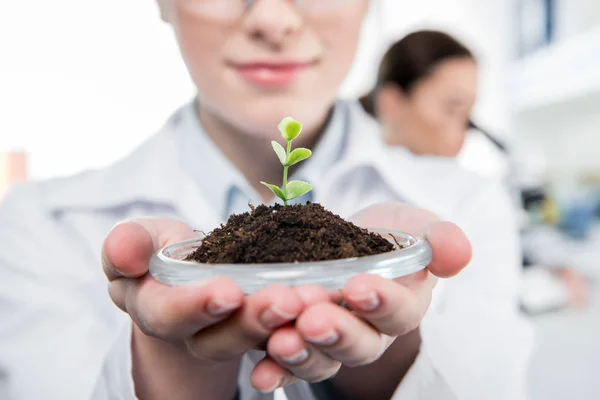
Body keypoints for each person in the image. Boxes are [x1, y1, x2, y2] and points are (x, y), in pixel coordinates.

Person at [0, 4, 532, 400]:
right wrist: (168, 368)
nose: (274, 19)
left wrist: (389, 367)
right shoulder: (36, 224)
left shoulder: (468, 205)